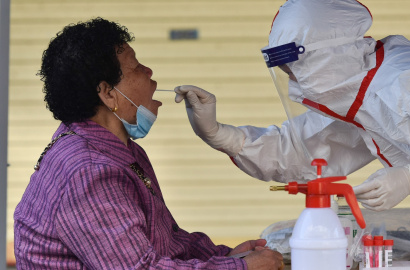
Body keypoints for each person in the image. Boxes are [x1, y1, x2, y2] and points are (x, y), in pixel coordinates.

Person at [13, 17, 284, 269]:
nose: (149, 71)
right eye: (136, 67)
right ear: (109, 94)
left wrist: (222, 255)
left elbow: (167, 240)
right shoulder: (89, 172)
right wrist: (243, 266)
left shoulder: (119, 151)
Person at [174, 0, 410, 217]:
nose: (292, 81)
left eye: (294, 68)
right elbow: (310, 150)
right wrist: (222, 136)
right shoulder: (366, 92)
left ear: (325, 57)